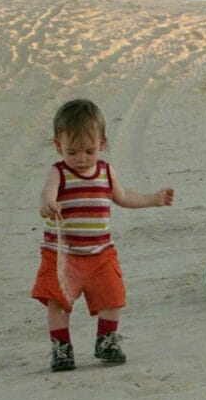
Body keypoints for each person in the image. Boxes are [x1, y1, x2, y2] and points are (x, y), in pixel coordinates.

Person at [31, 99, 174, 371]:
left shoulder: (106, 172)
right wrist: (47, 204)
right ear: (58, 145)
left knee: (113, 296)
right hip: (62, 254)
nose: (81, 158)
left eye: (89, 150)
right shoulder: (59, 172)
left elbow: (123, 197)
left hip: (101, 254)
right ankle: (61, 348)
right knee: (58, 302)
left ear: (102, 144)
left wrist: (153, 199)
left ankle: (106, 340)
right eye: (72, 151)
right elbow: (46, 194)